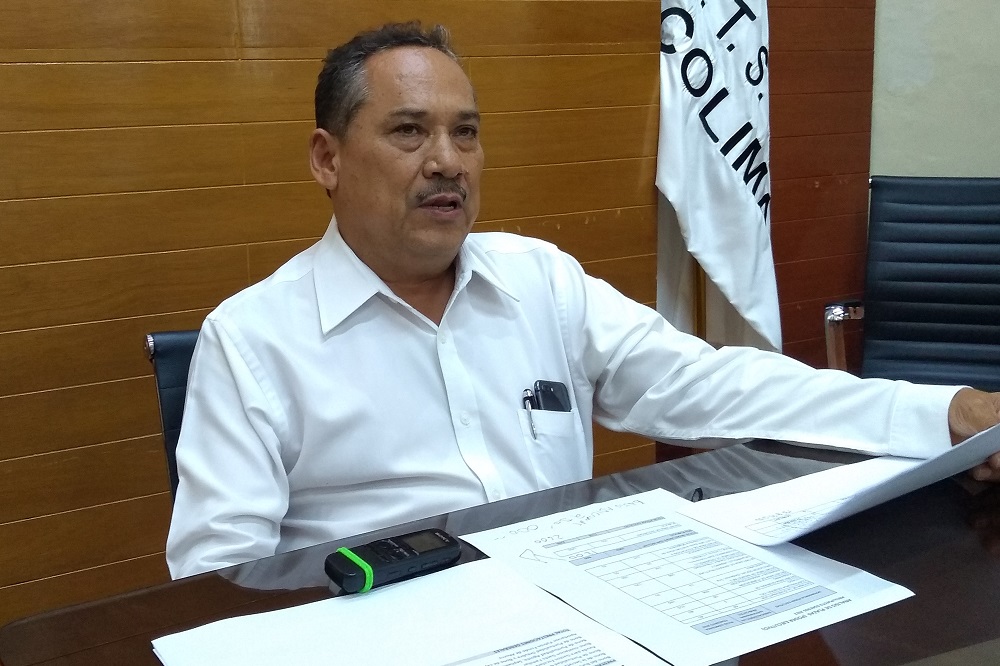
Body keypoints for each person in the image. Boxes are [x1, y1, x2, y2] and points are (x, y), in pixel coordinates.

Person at [165, 22, 1000, 578]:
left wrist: (940, 412)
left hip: (586, 614)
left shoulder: (540, 281)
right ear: (327, 159)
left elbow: (713, 385)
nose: (448, 161)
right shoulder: (252, 340)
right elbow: (216, 579)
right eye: (409, 131)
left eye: (466, 132)